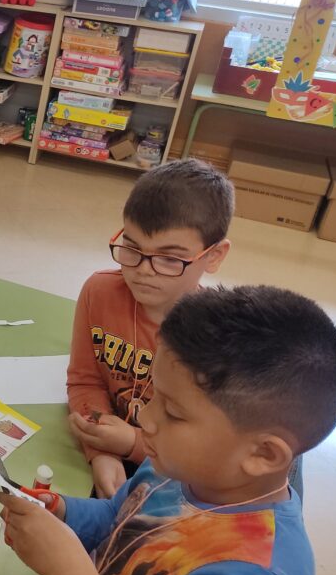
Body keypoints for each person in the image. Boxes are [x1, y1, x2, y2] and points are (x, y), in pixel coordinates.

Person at [0, 285, 336, 575]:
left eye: (174, 412)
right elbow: (121, 520)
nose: (145, 419)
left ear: (263, 455)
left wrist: (68, 574)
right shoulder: (175, 466)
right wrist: (63, 512)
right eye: (154, 396)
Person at [66, 158, 233, 498]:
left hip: (174, 476)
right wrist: (101, 450)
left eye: (169, 258)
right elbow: (85, 381)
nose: (143, 270)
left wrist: (132, 443)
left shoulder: (217, 340)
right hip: (108, 446)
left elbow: (208, 452)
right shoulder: (99, 292)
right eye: (132, 248)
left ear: (214, 256)